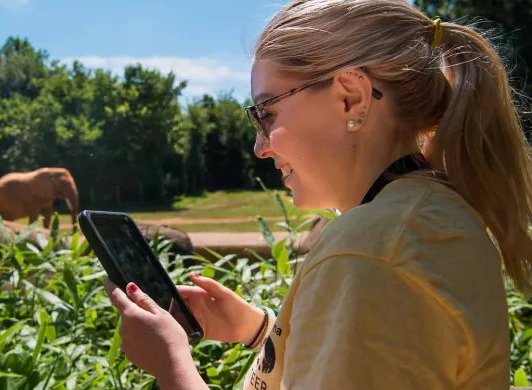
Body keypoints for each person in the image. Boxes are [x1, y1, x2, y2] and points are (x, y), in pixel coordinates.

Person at [103, 0, 532, 388]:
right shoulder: (429, 216)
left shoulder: (369, 253)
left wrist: (173, 367)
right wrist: (261, 330)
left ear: (351, 97)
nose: (260, 146)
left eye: (266, 113)